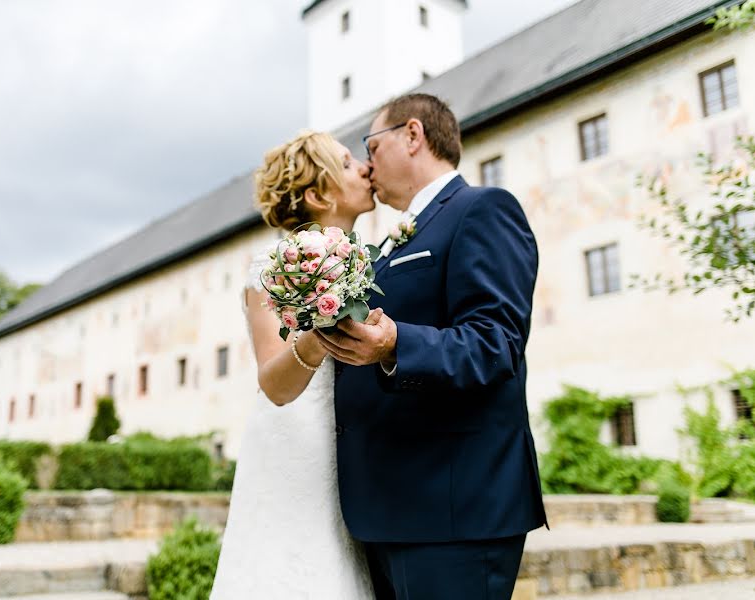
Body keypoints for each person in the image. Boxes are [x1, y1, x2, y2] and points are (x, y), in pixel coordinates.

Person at [315, 93, 548, 600]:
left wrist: (396, 343)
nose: (368, 163)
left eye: (371, 146)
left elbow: (496, 343)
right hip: (387, 511)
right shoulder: (391, 240)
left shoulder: (482, 209)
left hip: (453, 510)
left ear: (413, 135)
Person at [210, 130, 377, 599]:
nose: (364, 167)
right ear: (317, 194)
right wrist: (323, 329)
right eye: (347, 163)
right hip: (297, 445)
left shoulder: (368, 259)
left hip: (356, 447)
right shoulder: (271, 267)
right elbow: (274, 384)